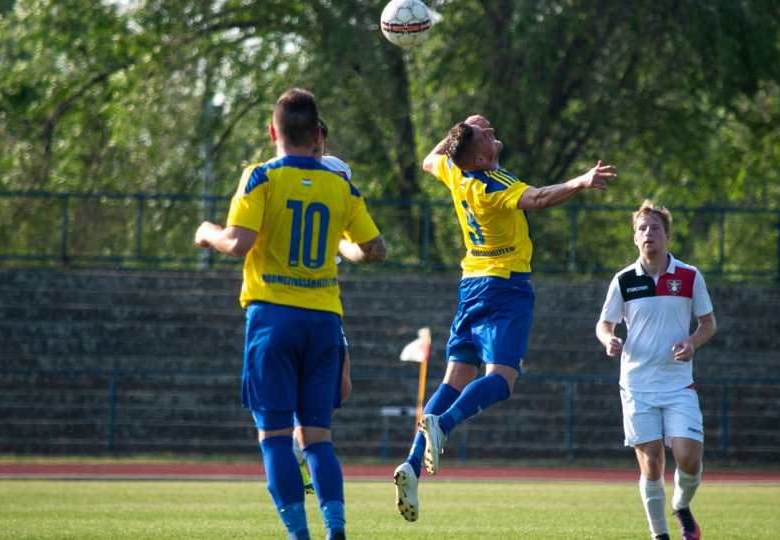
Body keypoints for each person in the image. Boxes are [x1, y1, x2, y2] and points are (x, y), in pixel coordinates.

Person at [393, 114, 617, 522]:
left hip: (469, 287)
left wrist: (461, 129)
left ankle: (411, 464)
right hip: (505, 289)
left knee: (453, 380)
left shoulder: (455, 171)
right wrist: (580, 181)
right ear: (479, 158)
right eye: (485, 136)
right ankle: (444, 424)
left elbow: (430, 159)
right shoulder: (492, 185)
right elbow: (539, 199)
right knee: (501, 380)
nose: (492, 131)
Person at [195, 88, 387, 540]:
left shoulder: (260, 177)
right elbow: (375, 249)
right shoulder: (339, 184)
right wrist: (338, 246)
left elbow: (238, 242)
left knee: (276, 437)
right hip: (323, 322)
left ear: (272, 131)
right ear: (316, 133)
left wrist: (208, 233)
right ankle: (335, 530)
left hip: (274, 320)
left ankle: (300, 536)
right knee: (318, 438)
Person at [596, 200, 717, 540]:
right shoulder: (624, 280)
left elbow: (708, 323)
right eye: (642, 229)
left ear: (667, 235)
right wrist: (609, 340)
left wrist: (693, 341)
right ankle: (659, 534)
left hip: (678, 384)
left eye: (655, 228)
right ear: (635, 238)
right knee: (651, 464)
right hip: (636, 383)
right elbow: (604, 324)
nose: (648, 233)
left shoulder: (690, 276)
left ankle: (681, 505)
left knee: (688, 457)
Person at [292, 116, 355, 495]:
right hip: (294, 294)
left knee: (343, 385)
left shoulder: (336, 171)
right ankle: (298, 448)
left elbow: (348, 217)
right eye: (311, 144)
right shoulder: (281, 174)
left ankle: (299, 446)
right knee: (310, 385)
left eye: (321, 145)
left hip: (326, 292)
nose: (317, 150)